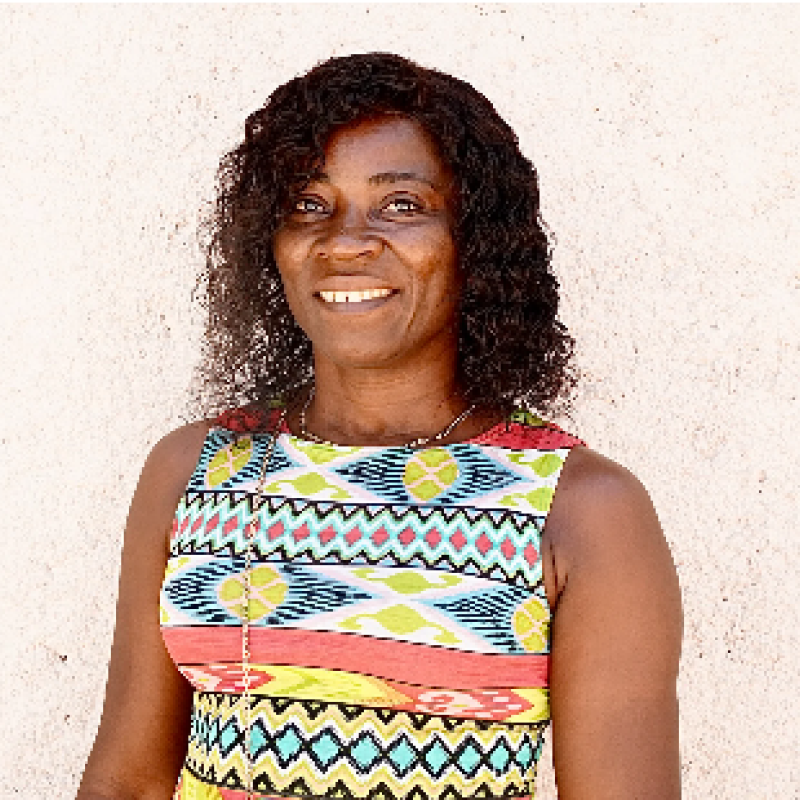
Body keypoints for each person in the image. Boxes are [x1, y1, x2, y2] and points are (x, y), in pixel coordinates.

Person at [77, 53, 682, 800]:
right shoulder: (196, 468)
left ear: (475, 243)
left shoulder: (580, 507)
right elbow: (127, 784)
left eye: (401, 204)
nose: (346, 241)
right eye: (308, 203)